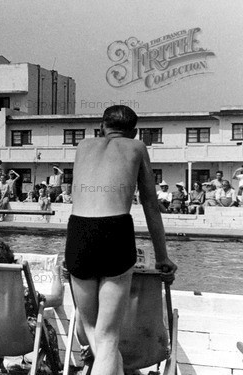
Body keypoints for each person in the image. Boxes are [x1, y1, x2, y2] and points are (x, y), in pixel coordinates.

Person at [65, 105, 176, 375]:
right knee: (108, 337)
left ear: (102, 126)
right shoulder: (136, 147)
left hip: (78, 232)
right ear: (134, 131)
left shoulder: (82, 146)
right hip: (114, 230)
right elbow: (150, 205)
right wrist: (162, 257)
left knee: (92, 329)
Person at [0, 242, 63, 371]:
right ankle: (54, 366)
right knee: (46, 329)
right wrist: (57, 274)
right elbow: (57, 299)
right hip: (17, 340)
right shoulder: (22, 293)